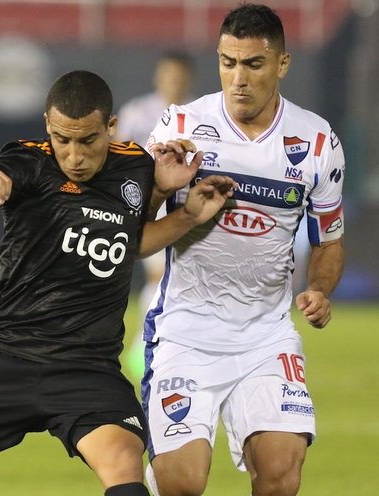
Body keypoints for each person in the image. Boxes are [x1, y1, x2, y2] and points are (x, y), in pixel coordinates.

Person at [0, 70, 236, 496]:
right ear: (47, 124)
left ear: (110, 127)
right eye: (63, 139)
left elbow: (129, 243)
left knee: (124, 470)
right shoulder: (24, 162)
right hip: (6, 358)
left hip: (88, 368)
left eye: (87, 140)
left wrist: (186, 215)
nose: (74, 155)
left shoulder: (136, 166)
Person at [141, 4, 346, 496]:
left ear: (282, 64)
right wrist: (159, 190)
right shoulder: (181, 125)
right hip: (186, 331)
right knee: (182, 485)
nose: (237, 78)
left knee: (280, 476)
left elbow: (329, 239)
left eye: (252, 64)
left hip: (265, 336)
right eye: (227, 62)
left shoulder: (317, 142)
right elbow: (131, 223)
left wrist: (320, 287)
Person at [115, 52, 196, 379]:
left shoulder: (199, 113)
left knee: (175, 277)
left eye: (179, 76)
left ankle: (155, 343)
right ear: (158, 77)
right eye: (168, 75)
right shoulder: (137, 112)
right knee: (160, 275)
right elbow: (116, 154)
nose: (173, 82)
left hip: (186, 204)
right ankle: (144, 346)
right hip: (147, 201)